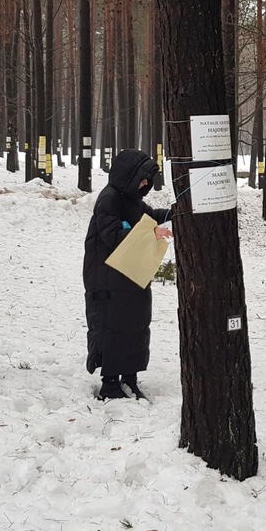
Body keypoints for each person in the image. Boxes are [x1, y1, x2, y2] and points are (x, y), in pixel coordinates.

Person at [82, 148, 173, 400]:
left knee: (137, 321)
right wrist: (150, 234)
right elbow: (111, 235)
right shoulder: (109, 198)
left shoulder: (132, 199)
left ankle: (130, 378)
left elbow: (150, 216)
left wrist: (171, 214)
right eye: (143, 178)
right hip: (106, 274)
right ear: (129, 175)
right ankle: (110, 382)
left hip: (131, 271)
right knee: (113, 324)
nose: (145, 184)